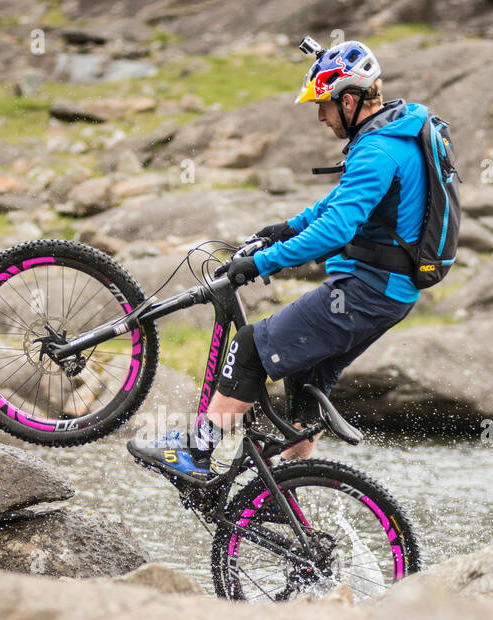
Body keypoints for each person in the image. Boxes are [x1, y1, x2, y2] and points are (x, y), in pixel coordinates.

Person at [129, 38, 432, 478]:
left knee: (250, 348)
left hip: (368, 291)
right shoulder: (397, 135)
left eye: (324, 105)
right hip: (387, 292)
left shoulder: (377, 151)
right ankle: (286, 491)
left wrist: (261, 263)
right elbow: (336, 205)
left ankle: (195, 454)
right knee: (304, 384)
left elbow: (335, 230)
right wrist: (286, 229)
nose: (321, 117)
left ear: (349, 100)